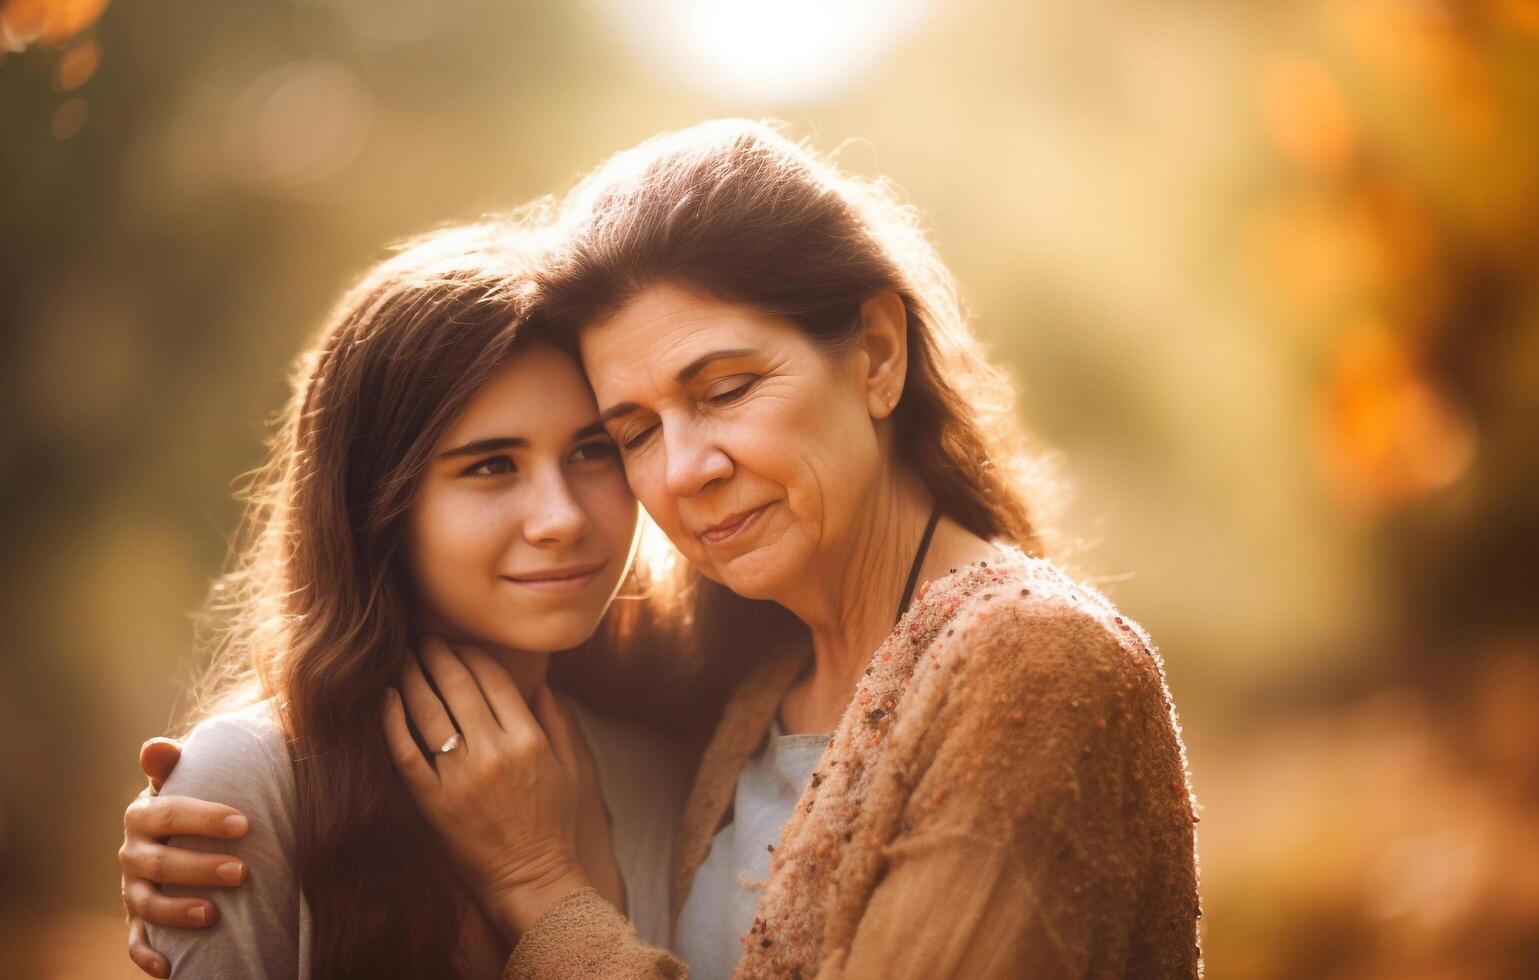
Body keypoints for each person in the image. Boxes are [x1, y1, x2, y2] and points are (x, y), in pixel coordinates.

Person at [125, 119, 1202, 979]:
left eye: (724, 389)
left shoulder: (1029, 666)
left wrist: (543, 889)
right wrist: (238, 807)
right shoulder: (738, 684)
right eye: (632, 430)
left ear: (875, 353)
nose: (680, 469)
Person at [117, 222, 707, 979]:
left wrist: (536, 880)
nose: (562, 518)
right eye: (491, 465)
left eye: (592, 451)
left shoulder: (658, 774)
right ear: (377, 505)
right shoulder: (249, 785)